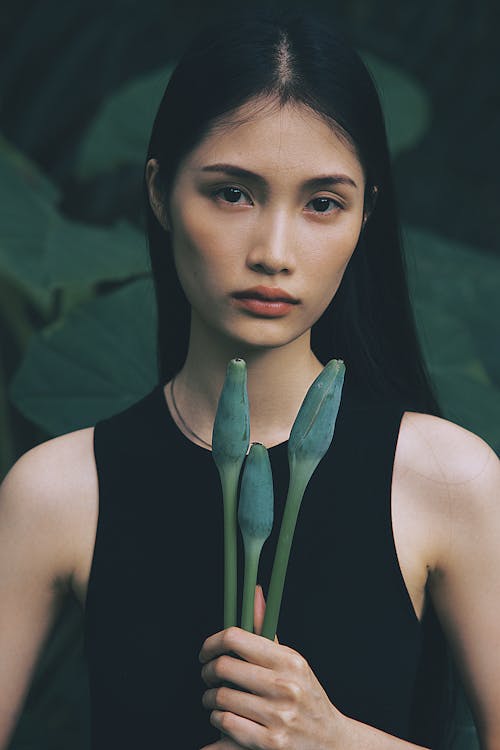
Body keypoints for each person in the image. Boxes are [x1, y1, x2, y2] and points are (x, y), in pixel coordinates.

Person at [1, 7, 499, 750]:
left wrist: (332, 739)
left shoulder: (450, 479)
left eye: (322, 204)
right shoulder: (57, 491)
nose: (273, 250)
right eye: (233, 193)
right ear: (161, 192)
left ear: (366, 218)